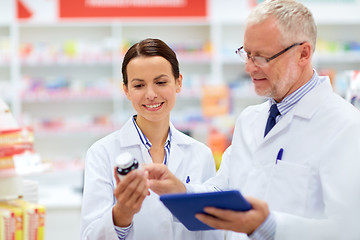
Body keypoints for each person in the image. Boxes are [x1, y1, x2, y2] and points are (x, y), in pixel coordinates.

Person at [143, 1, 360, 239]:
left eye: (262, 57)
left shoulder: (345, 125)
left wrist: (269, 226)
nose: (249, 67)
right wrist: (181, 191)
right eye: (247, 54)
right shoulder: (250, 120)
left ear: (303, 53)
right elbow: (223, 188)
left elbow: (349, 229)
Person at [80, 38, 223, 240]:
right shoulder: (101, 153)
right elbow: (90, 235)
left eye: (161, 82)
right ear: (126, 90)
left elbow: (211, 231)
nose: (151, 94)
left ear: (178, 82)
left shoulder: (200, 153)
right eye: (139, 85)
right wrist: (122, 214)